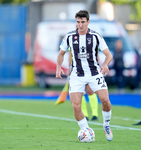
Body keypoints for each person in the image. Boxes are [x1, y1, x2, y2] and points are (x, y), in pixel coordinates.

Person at [56, 10, 113, 141]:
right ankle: (86, 130)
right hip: (77, 75)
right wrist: (58, 68)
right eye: (78, 22)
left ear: (88, 22)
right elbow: (61, 54)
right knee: (75, 106)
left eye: (82, 22)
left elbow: (109, 55)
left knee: (105, 101)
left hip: (94, 73)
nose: (80, 25)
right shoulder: (70, 37)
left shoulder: (95, 36)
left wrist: (105, 64)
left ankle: (106, 125)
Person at [68, 52, 99, 121]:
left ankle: (95, 114)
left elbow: (96, 54)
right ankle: (85, 114)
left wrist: (97, 66)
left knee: (90, 91)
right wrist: (69, 68)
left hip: (90, 70)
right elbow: (70, 54)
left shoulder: (91, 41)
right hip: (78, 71)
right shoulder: (73, 41)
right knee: (80, 92)